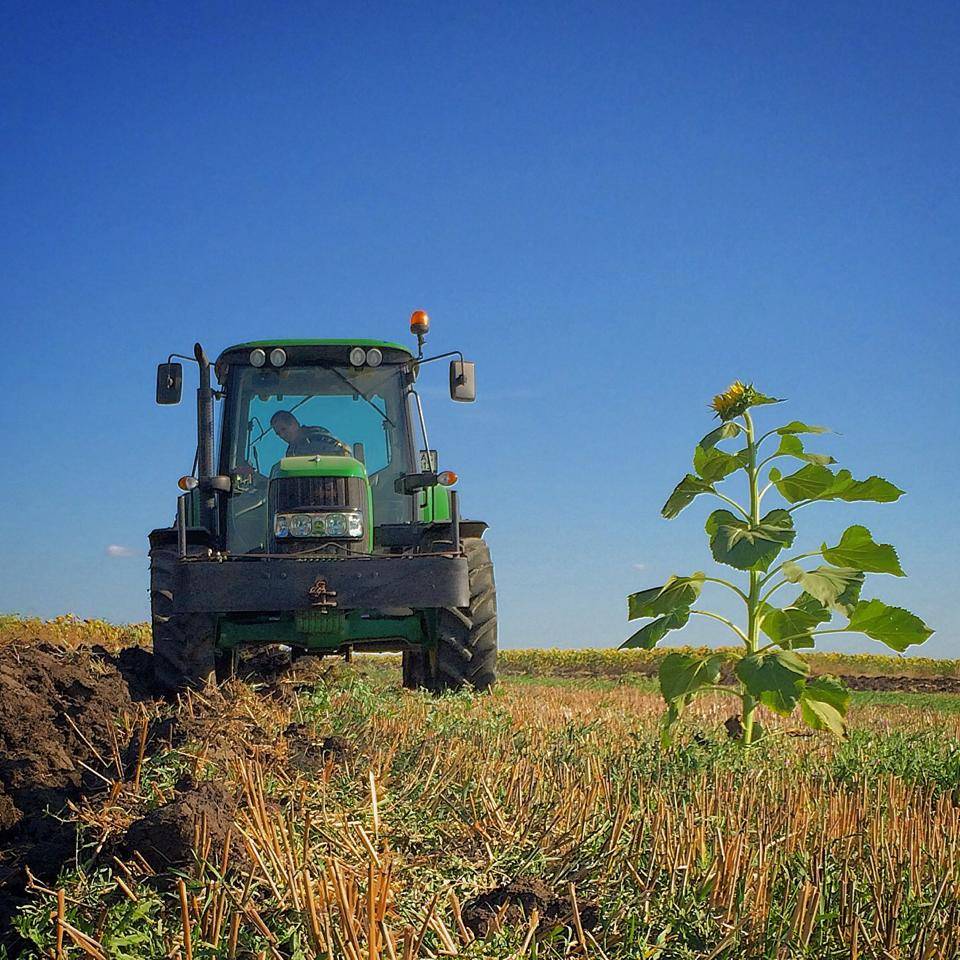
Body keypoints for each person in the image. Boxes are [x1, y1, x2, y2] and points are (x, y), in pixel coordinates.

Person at [270, 410, 349, 457]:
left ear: (294, 423)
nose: (282, 436)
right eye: (278, 434)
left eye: (284, 429)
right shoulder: (291, 452)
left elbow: (341, 453)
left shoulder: (318, 437)